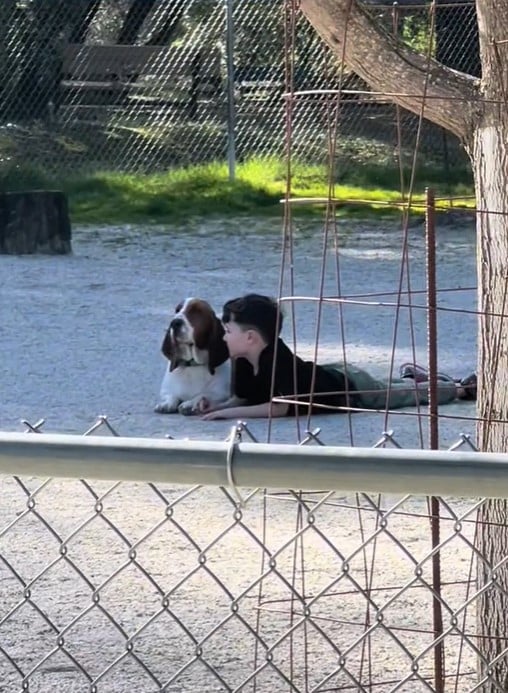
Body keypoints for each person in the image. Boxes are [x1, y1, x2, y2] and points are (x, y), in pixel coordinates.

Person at [201, 293, 477, 420]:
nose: (223, 337)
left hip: (347, 387)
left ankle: (459, 388)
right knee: (392, 387)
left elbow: (279, 408)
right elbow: (245, 397)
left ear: (250, 338)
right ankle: (419, 379)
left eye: (227, 330)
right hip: (332, 373)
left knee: (400, 396)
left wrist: (228, 414)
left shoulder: (277, 359)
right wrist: (220, 405)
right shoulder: (241, 360)